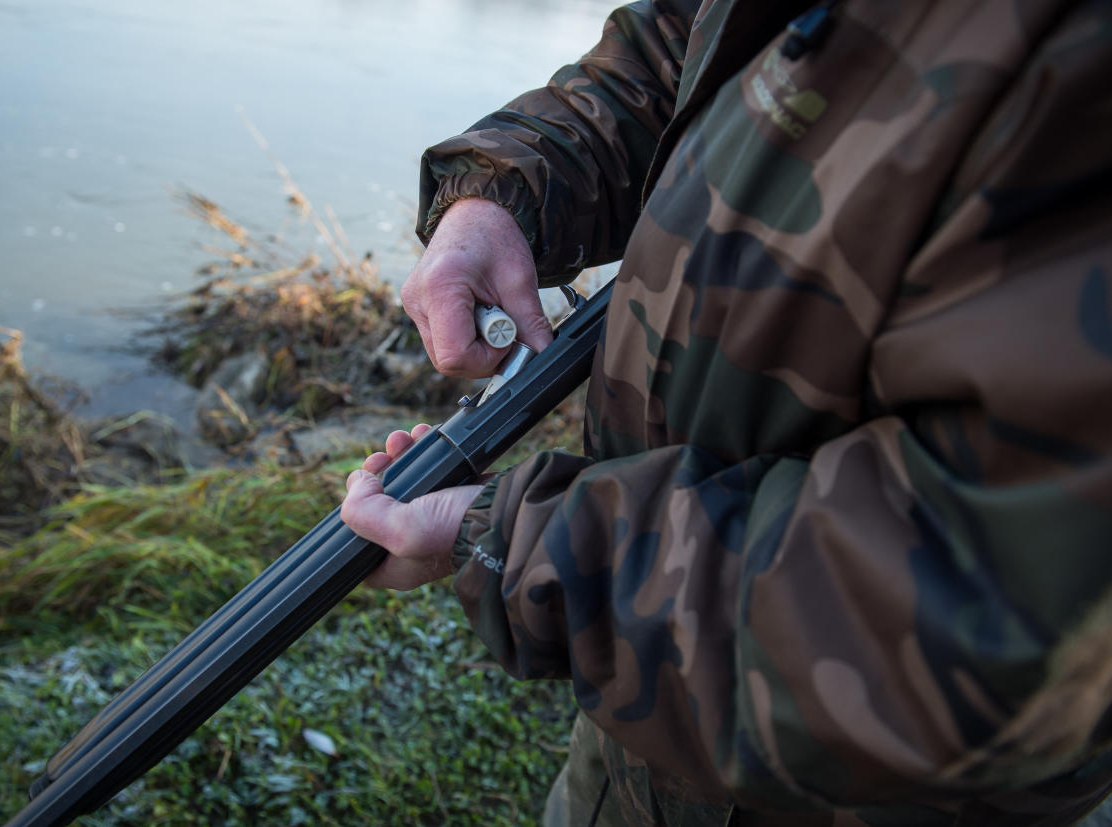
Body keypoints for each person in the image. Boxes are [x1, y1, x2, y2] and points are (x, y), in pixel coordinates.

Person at [341, 1, 1112, 823]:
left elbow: (984, 611)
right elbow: (685, 43)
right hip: (640, 732)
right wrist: (505, 192)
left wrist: (515, 543)